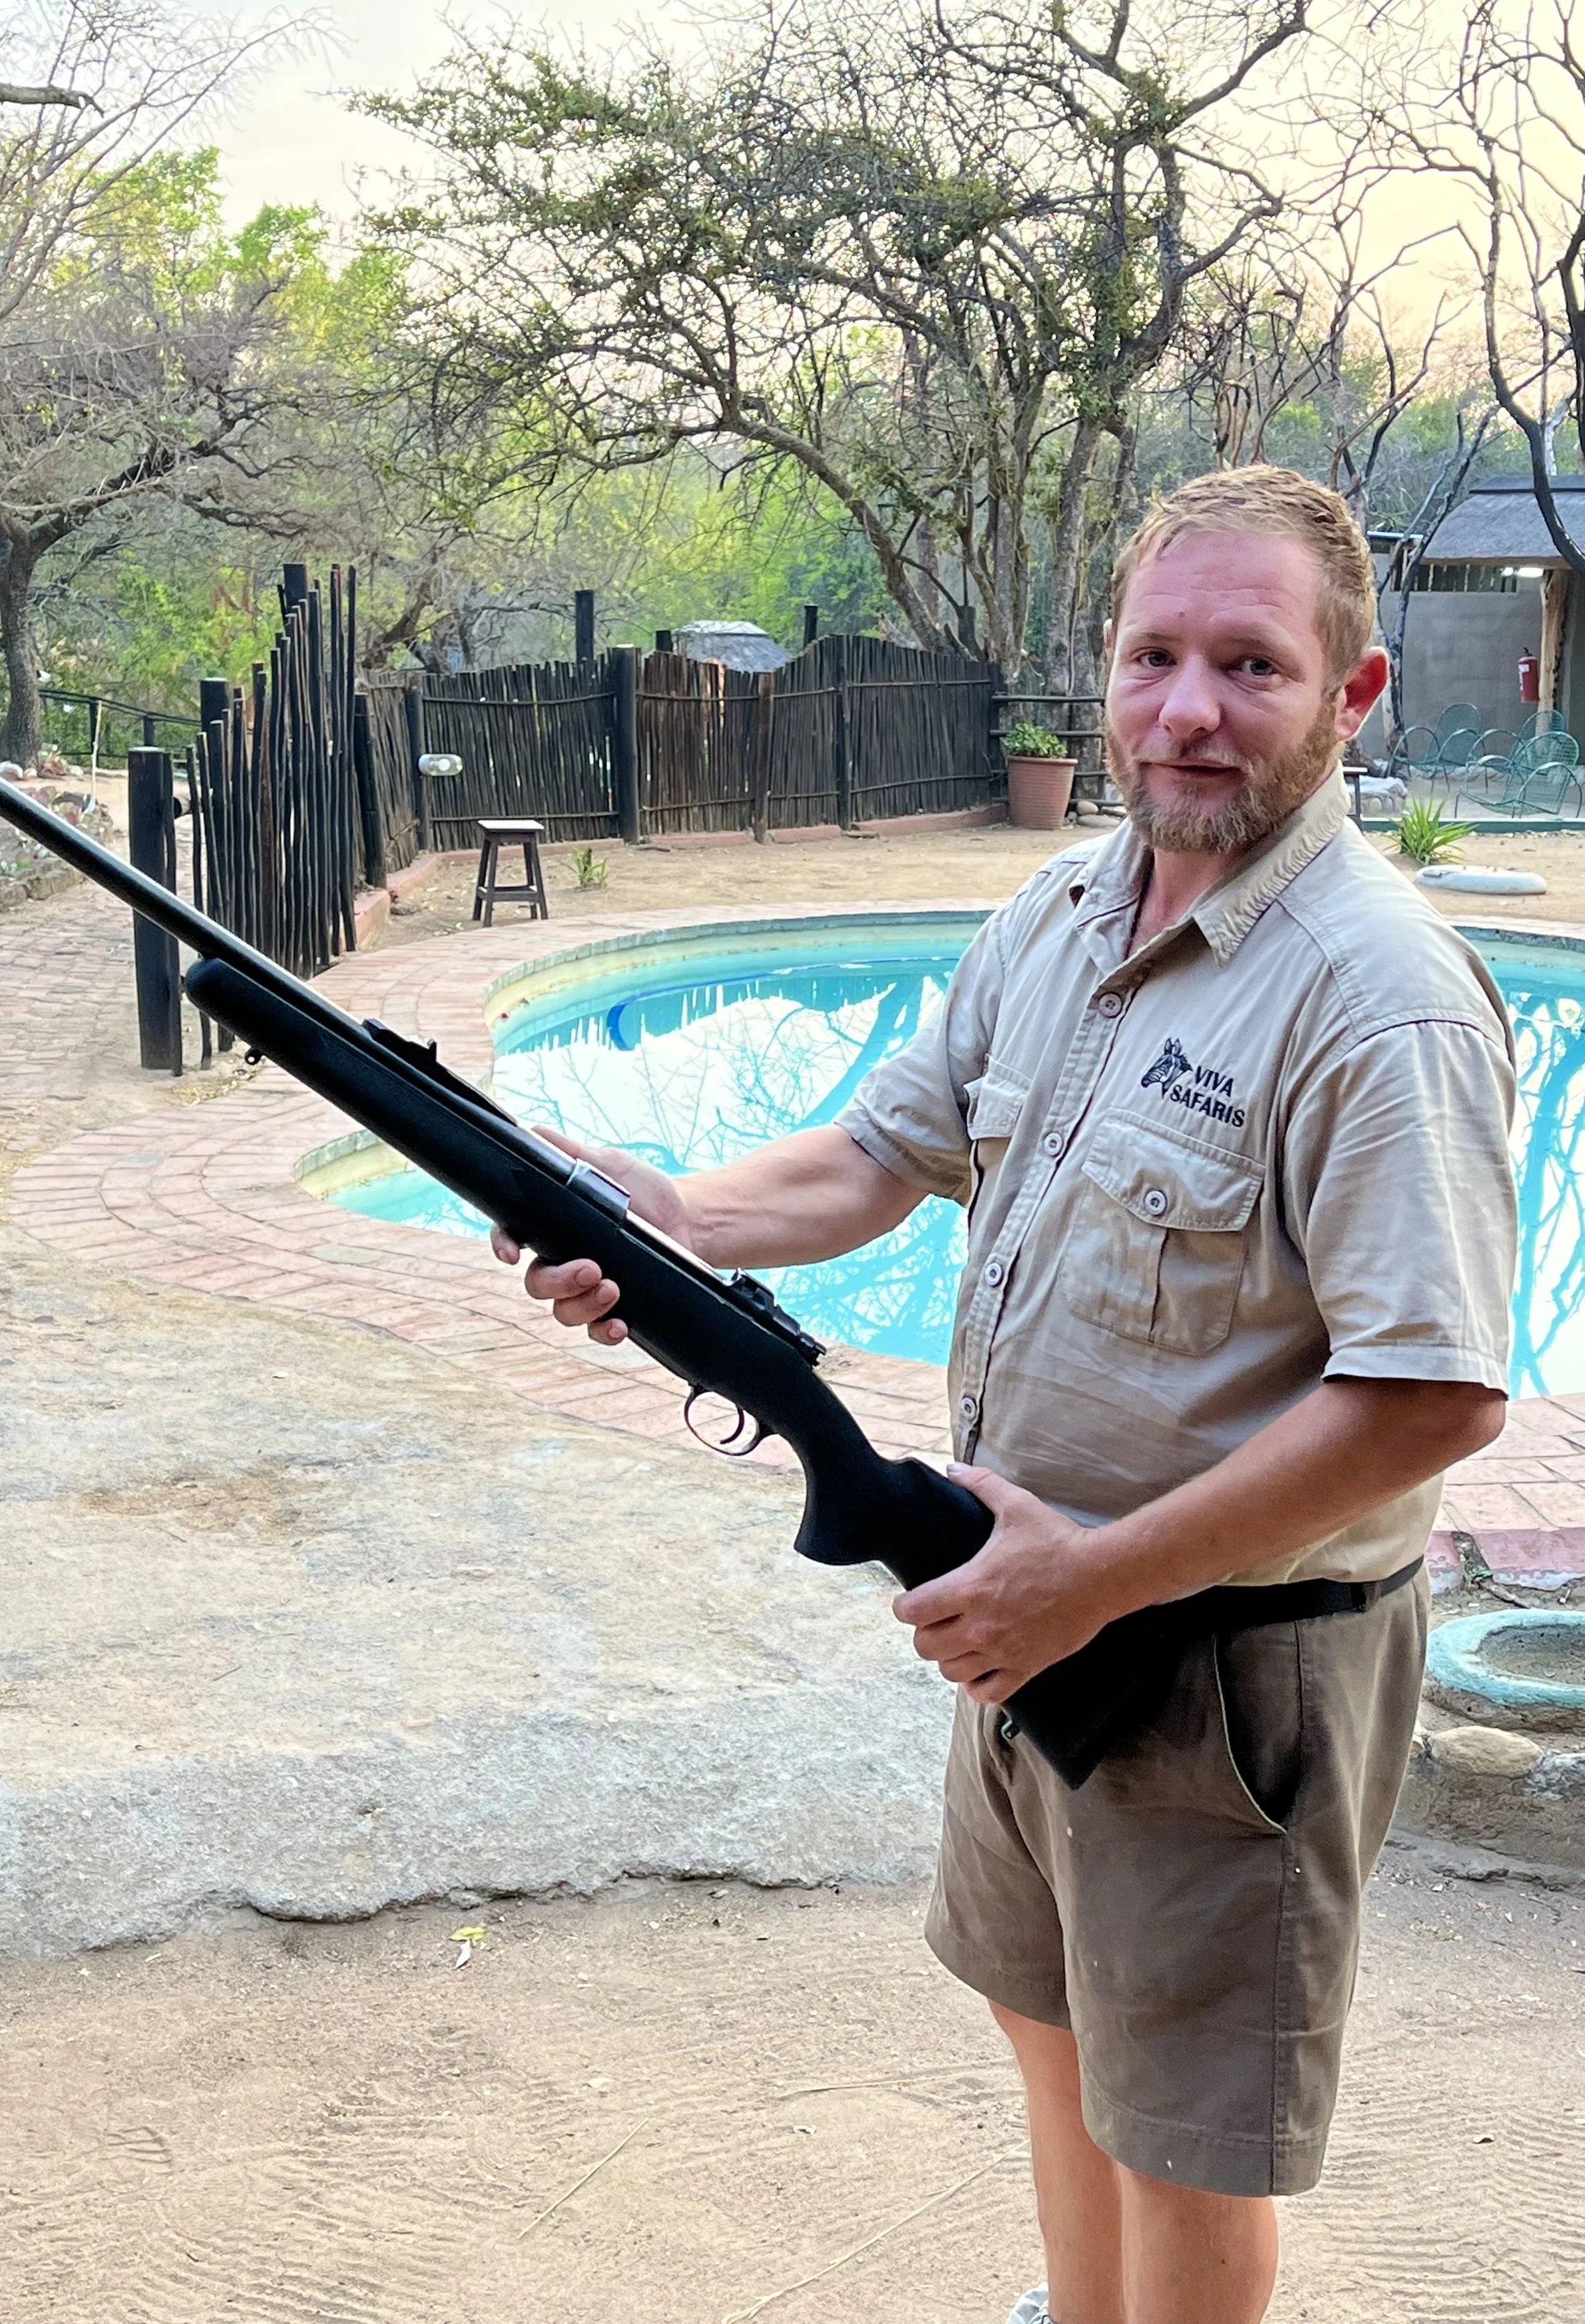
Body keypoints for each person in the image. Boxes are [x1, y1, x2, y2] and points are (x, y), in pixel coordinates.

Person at [492, 466, 1517, 2324]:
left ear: (1348, 697)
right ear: (1102, 673)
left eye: (1250, 665)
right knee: (1050, 2037)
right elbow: (880, 1150)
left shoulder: (1380, 999)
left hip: (1218, 1660)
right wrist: (663, 1218)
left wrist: (1099, 1575)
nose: (1188, 708)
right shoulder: (1059, 907)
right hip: (1015, 1603)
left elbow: (1430, 1396)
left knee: (1182, 2138)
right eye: (1153, 656)